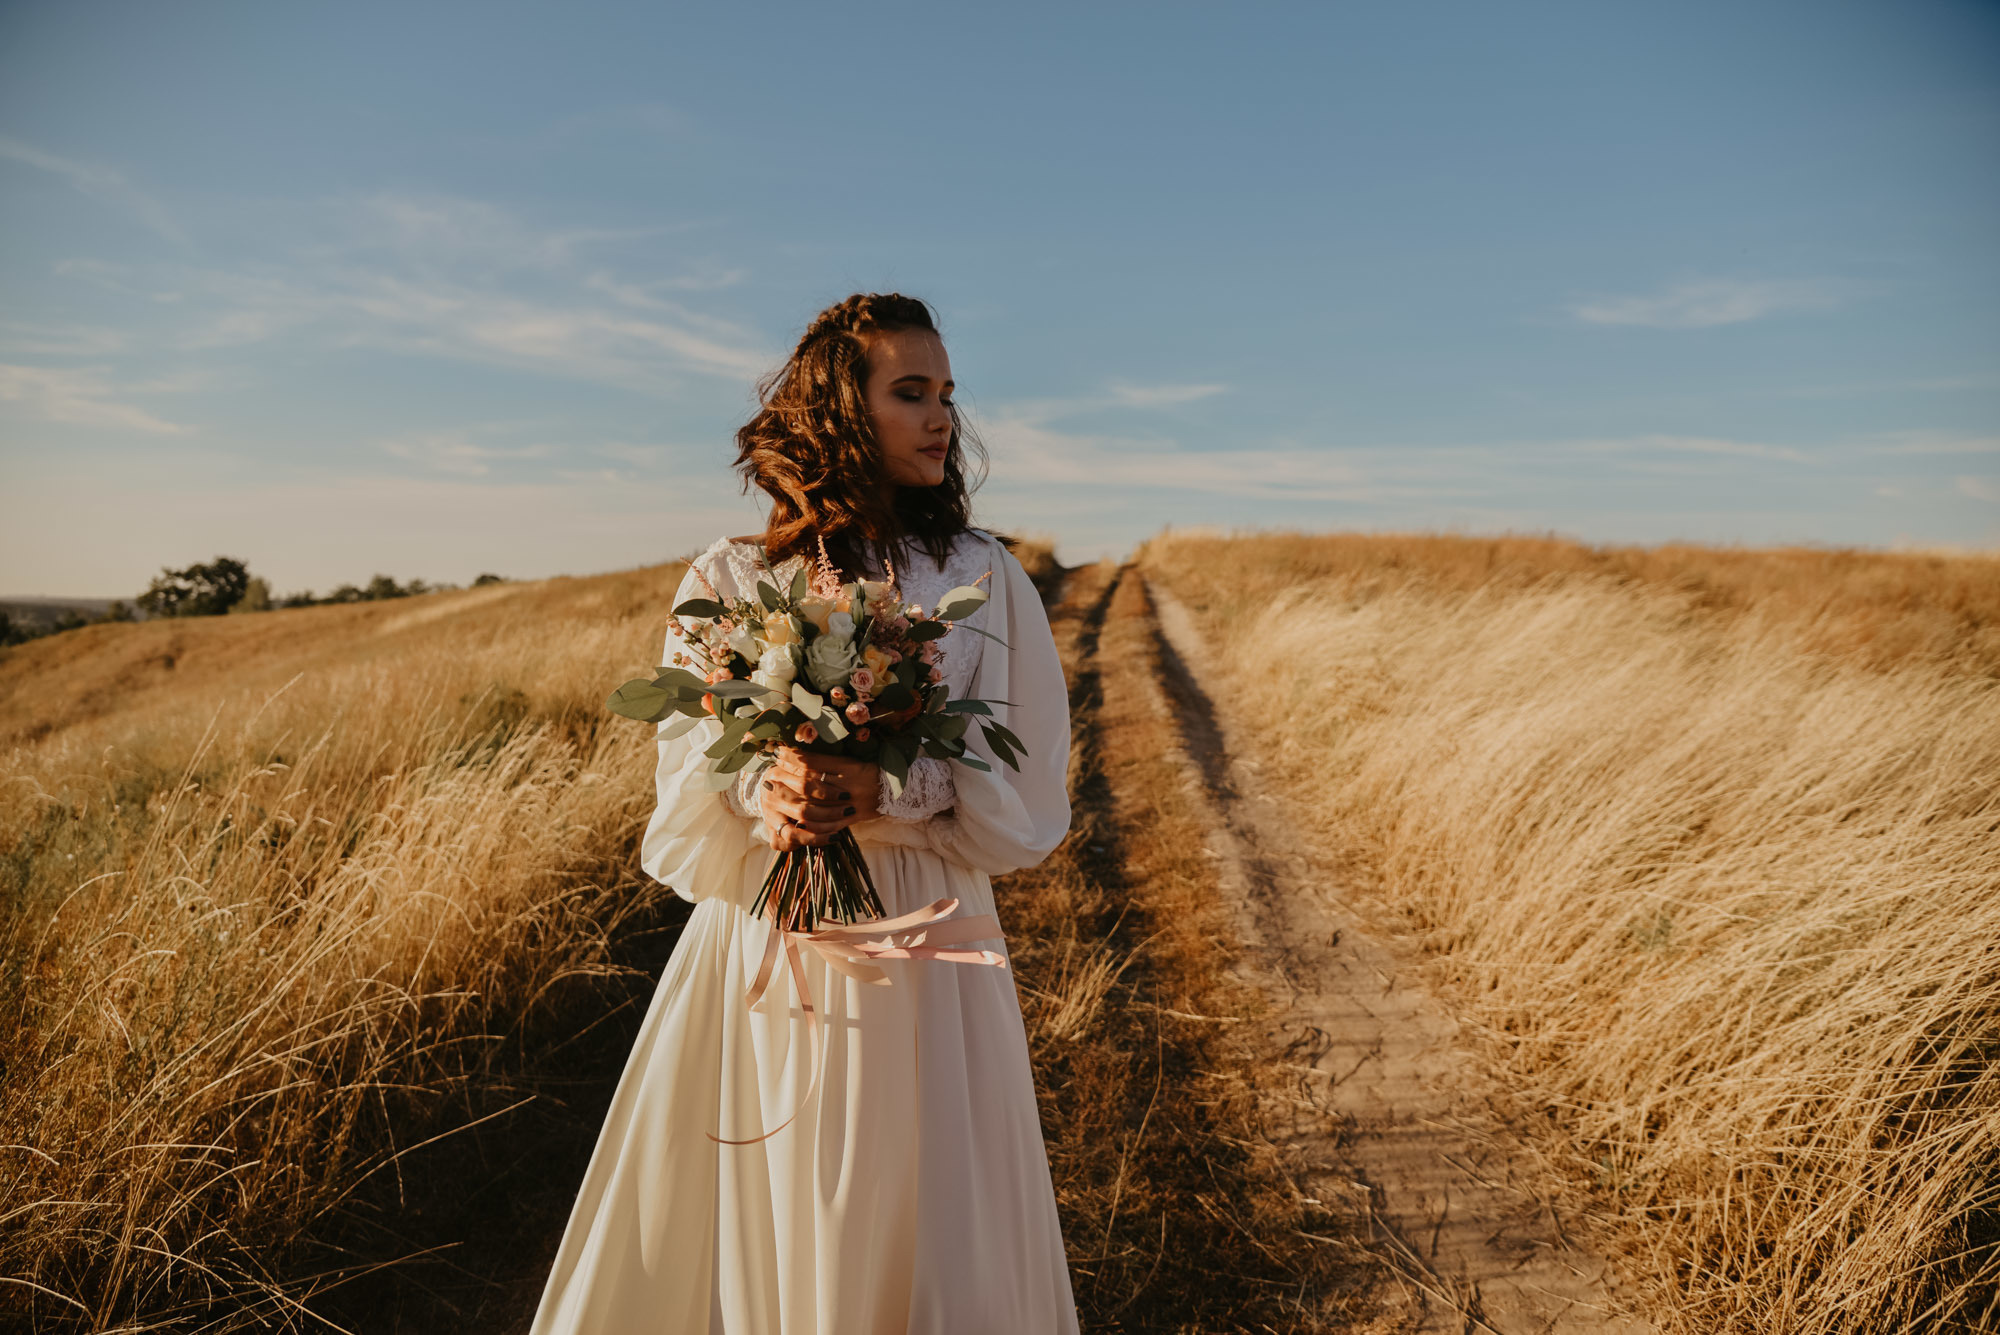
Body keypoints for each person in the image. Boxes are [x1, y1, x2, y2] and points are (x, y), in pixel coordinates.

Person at [530, 293, 1080, 1334]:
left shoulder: (981, 575)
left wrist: (894, 787)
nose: (940, 421)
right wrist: (765, 787)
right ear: (838, 412)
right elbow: (684, 794)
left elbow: (1030, 800)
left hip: (925, 934)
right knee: (781, 1186)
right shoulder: (729, 576)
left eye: (946, 397)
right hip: (767, 926)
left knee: (920, 1203)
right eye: (909, 393)